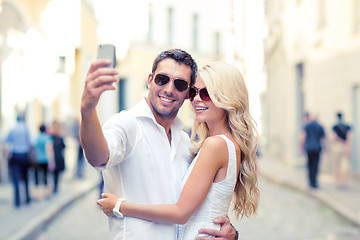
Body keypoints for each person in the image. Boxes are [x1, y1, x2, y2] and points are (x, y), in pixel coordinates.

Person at [80, 49, 238, 239]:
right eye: (162, 79)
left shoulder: (185, 142)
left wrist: (231, 234)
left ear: (187, 93)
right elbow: (98, 157)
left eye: (180, 84)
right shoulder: (126, 123)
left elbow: (197, 206)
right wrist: (88, 110)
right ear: (150, 80)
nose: (169, 89)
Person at [4, 115, 32, 207]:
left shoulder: (13, 129)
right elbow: (30, 142)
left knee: (16, 179)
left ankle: (17, 201)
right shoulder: (26, 128)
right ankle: (27, 197)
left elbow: (6, 140)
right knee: (25, 178)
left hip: (15, 155)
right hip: (24, 155)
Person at [299, 112, 326, 189]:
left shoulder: (307, 125)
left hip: (309, 148)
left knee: (310, 165)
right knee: (315, 165)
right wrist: (325, 148)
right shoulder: (320, 126)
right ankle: (315, 183)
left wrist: (301, 147)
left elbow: (302, 137)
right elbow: (323, 138)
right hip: (317, 148)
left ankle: (311, 183)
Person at [331, 111, 352, 189]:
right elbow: (349, 138)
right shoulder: (348, 126)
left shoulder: (335, 126)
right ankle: (344, 182)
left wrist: (339, 140)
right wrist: (348, 147)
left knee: (336, 164)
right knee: (344, 165)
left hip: (337, 146)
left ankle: (337, 182)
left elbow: (333, 137)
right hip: (345, 146)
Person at [34, 124, 54, 198]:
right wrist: (51, 161)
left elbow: (35, 148)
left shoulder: (37, 138)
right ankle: (46, 192)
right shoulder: (48, 138)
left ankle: (38, 193)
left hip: (38, 159)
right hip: (45, 159)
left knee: (37, 176)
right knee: (45, 175)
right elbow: (49, 150)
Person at [51, 121, 66, 193]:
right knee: (55, 174)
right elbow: (64, 146)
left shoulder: (53, 137)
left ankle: (54, 187)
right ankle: (54, 187)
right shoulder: (56, 137)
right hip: (56, 156)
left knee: (55, 173)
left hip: (56, 157)